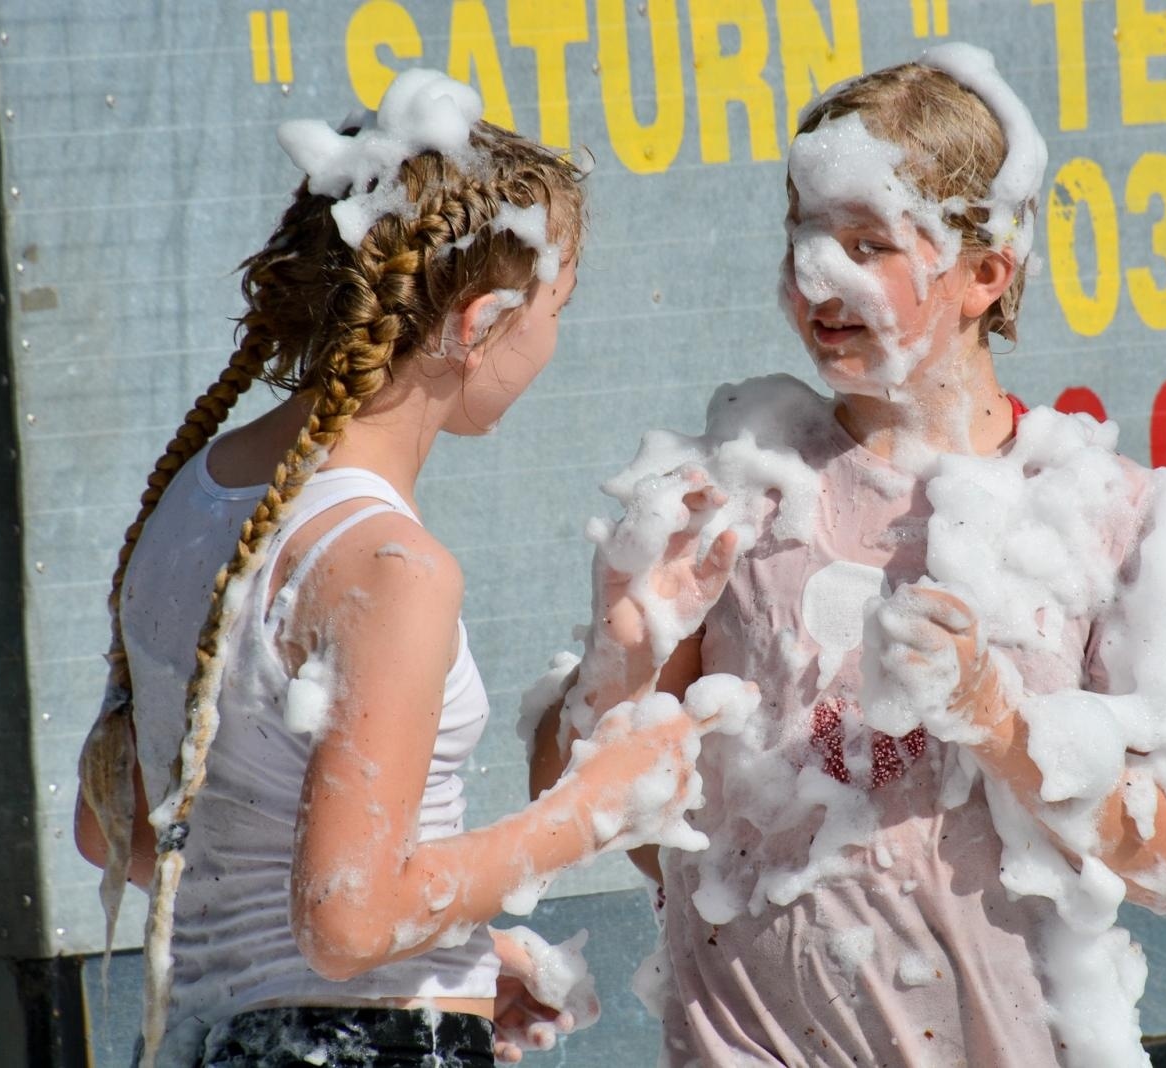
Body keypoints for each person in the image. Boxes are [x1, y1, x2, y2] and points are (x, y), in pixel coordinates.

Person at [530, 45, 1166, 1067]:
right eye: (804, 237)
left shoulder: (1101, 517)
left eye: (868, 244)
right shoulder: (730, 494)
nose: (816, 274)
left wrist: (1003, 725)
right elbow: (580, 816)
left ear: (985, 273)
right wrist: (622, 657)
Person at [75, 69, 719, 1068]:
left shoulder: (195, 496)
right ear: (481, 319)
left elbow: (115, 830)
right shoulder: (388, 567)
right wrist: (594, 808)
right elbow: (347, 923)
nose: (552, 340)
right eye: (556, 306)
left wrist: (461, 951)